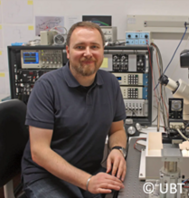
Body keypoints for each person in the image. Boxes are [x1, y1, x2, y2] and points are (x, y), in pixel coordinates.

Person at [21, 21, 127, 198]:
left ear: (102, 51)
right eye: (80, 47)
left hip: (88, 171)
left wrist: (117, 149)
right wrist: (87, 181)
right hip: (46, 176)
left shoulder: (110, 84)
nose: (88, 53)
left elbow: (117, 129)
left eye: (94, 46)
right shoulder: (46, 87)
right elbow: (39, 152)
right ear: (68, 52)